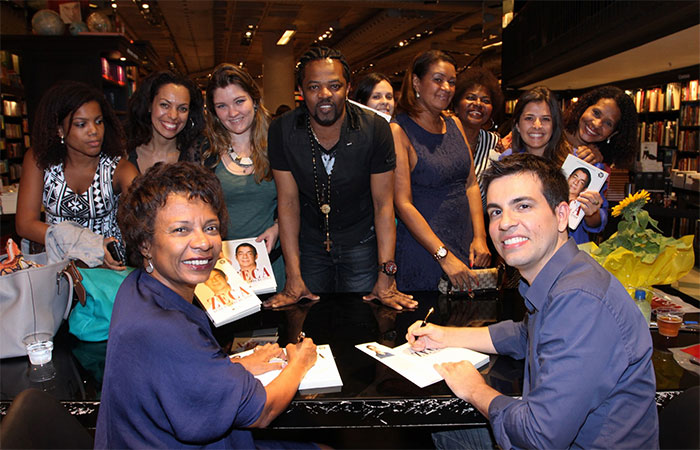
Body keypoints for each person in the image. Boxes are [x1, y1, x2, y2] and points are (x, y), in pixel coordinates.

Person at [408, 154, 658, 450]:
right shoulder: (563, 276)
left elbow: (540, 436)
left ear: (562, 215)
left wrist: (475, 389)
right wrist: (444, 335)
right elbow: (526, 335)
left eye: (523, 206)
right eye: (496, 212)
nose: (505, 223)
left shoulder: (580, 300)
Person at [95, 162, 320, 449]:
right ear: (145, 244)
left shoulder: (137, 287)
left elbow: (178, 373)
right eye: (180, 230)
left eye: (210, 227)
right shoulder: (163, 328)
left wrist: (238, 364)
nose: (203, 242)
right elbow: (262, 412)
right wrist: (300, 361)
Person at [267, 46, 415, 310]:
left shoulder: (375, 129)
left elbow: (384, 206)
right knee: (310, 328)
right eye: (314, 87)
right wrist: (293, 275)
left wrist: (386, 275)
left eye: (334, 85)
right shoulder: (283, 130)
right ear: (301, 91)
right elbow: (287, 203)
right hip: (309, 245)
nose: (325, 95)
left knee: (363, 325)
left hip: (361, 244)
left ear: (347, 88)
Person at [391, 50, 490, 292]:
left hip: (466, 245)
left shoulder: (455, 123)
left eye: (452, 81)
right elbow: (402, 204)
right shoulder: (399, 131)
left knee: (466, 322)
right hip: (425, 250)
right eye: (437, 79)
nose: (446, 87)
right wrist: (443, 255)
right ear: (416, 82)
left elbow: (470, 184)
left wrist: (480, 237)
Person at [15, 80, 138, 270]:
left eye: (98, 122)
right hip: (55, 269)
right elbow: (25, 224)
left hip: (106, 270)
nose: (94, 131)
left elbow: (146, 217)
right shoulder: (39, 160)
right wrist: (88, 245)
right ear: (60, 130)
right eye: (81, 124)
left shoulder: (119, 169)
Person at [203, 63, 285, 290]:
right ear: (213, 111)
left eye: (239, 101)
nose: (233, 113)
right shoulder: (204, 154)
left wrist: (279, 227)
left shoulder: (279, 145)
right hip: (221, 272)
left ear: (255, 101)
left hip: (273, 264)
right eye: (222, 106)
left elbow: (297, 200)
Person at [502, 87, 606, 244]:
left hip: (570, 255)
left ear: (554, 125)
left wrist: (592, 212)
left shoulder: (580, 163)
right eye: (529, 118)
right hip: (522, 252)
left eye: (545, 119)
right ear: (517, 124)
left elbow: (598, 222)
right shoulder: (506, 163)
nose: (537, 125)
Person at [126, 70, 205, 173]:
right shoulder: (123, 154)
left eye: (182, 109)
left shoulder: (199, 158)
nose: (173, 116)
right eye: (164, 105)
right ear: (149, 105)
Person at [451, 67, 503, 207]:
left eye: (485, 100)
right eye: (470, 98)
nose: (478, 104)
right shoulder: (441, 138)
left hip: (481, 223)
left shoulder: (494, 143)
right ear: (456, 105)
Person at [563, 85, 639, 169]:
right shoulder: (550, 137)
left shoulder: (600, 164)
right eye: (596, 113)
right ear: (584, 107)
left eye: (608, 123)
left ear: (613, 133)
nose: (597, 124)